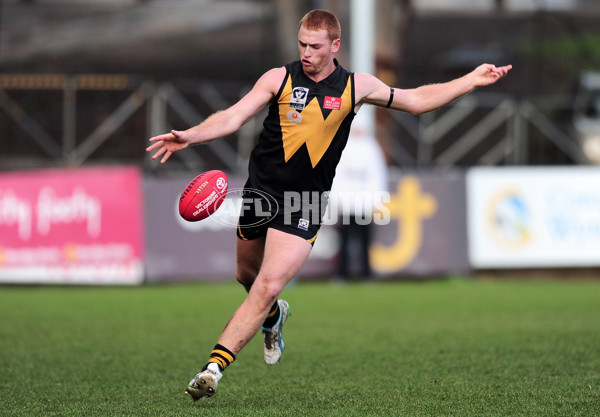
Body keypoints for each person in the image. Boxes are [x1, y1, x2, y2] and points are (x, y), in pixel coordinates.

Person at [146, 9, 511, 401]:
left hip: (305, 203)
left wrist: (471, 80)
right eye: (302, 44)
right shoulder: (278, 78)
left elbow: (417, 100)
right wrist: (192, 136)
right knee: (247, 277)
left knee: (268, 285)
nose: (306, 52)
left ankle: (213, 370)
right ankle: (274, 316)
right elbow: (234, 116)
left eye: (315, 46)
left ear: (335, 46)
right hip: (260, 194)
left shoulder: (358, 86)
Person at [330, 112, 388, 280]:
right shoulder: (342, 145)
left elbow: (377, 175)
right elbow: (336, 173)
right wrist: (337, 197)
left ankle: (366, 273)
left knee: (365, 238)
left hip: (364, 201)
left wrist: (375, 198)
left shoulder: (371, 148)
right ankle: (342, 273)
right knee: (344, 238)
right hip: (346, 200)